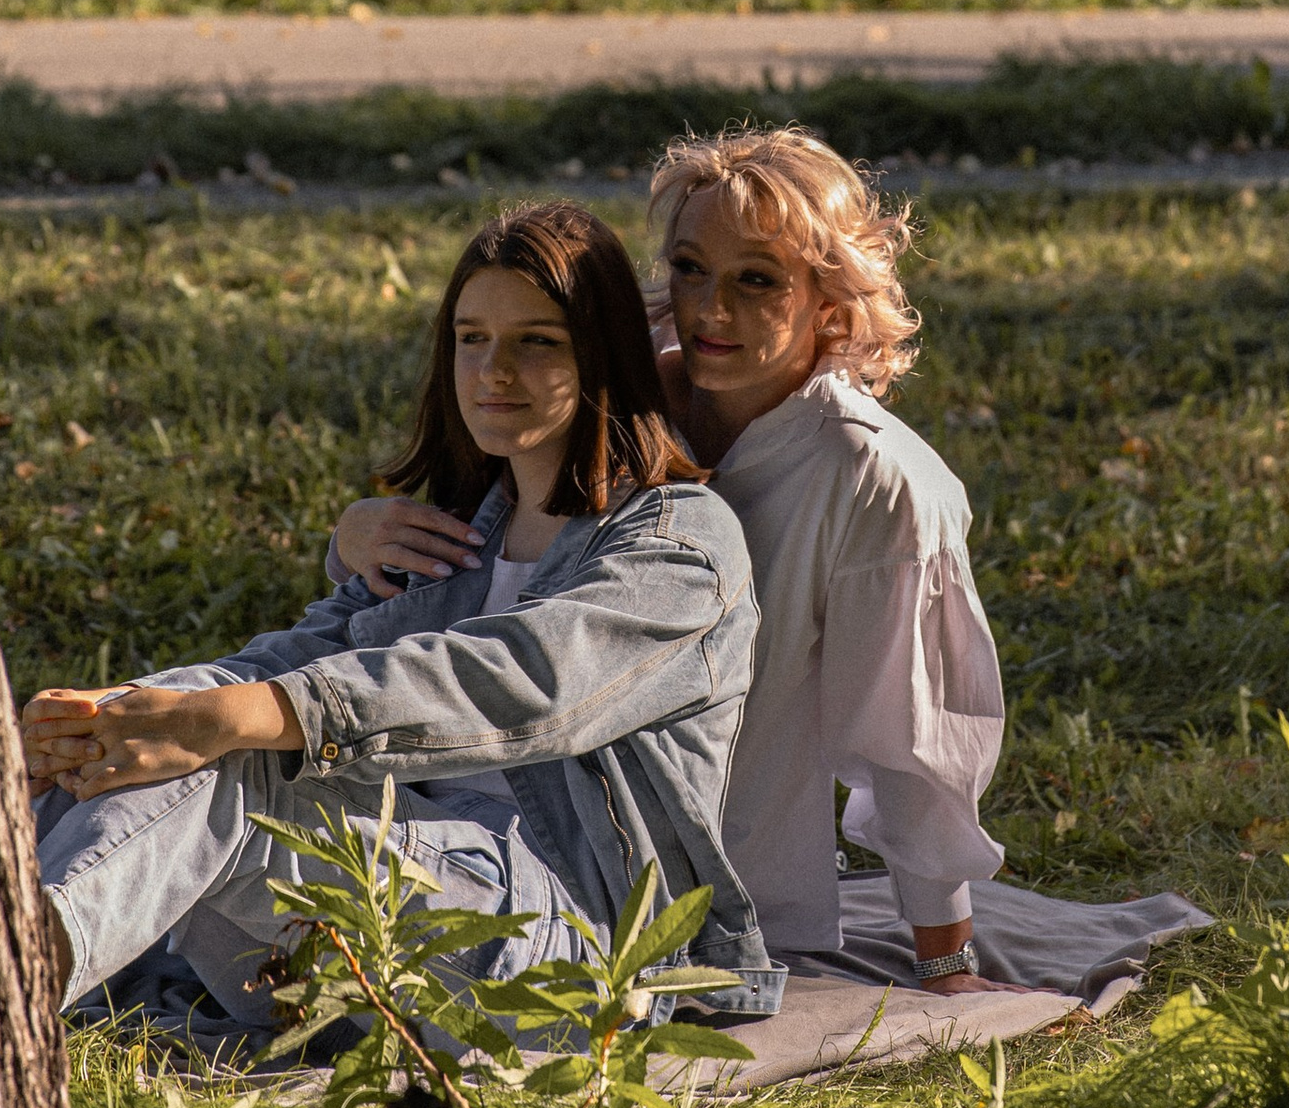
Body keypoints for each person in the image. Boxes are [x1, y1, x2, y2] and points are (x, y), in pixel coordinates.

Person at [24, 200, 780, 1035]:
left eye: (537, 341)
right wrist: (120, 712)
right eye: (471, 338)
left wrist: (249, 715)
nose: (494, 371)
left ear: (601, 356)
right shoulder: (452, 533)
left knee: (237, 760)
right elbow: (304, 653)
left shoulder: (678, 543)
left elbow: (523, 683)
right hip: (378, 929)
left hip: (568, 958)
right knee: (131, 750)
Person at [328, 128, 1005, 989]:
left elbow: (912, 733)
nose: (711, 308)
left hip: (678, 881)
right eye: (690, 269)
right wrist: (354, 537)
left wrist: (947, 956)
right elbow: (474, 556)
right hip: (478, 789)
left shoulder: (875, 477)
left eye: (756, 280)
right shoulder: (619, 397)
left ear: (832, 301)